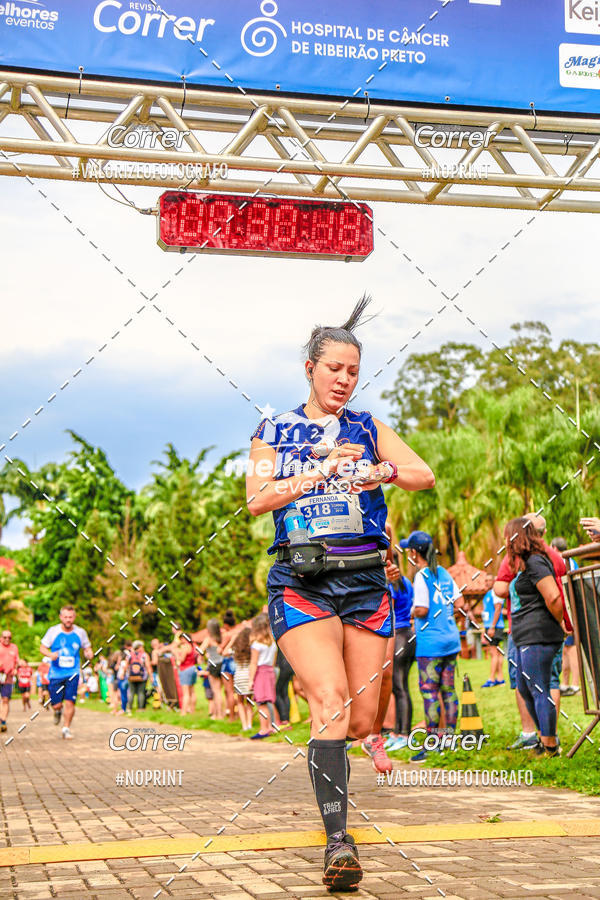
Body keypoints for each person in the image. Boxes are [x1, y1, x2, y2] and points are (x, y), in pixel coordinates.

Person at [246, 296, 435, 891]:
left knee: (360, 719)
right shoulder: (275, 428)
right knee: (327, 701)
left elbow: (422, 475)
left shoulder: (369, 426)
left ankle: (361, 745)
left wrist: (375, 471)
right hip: (302, 582)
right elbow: (258, 498)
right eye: (334, 369)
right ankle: (338, 843)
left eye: (353, 371)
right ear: (310, 368)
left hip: (365, 584)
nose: (344, 380)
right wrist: (321, 470)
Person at [494, 513, 567, 750]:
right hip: (527, 634)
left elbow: (554, 596)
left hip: (540, 634)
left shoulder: (536, 562)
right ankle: (544, 737)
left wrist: (559, 624)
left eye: (508, 537)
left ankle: (549, 745)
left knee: (537, 687)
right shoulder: (524, 562)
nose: (505, 541)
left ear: (518, 536)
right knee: (526, 688)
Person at [405, 531, 462, 763]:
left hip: (430, 644)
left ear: (413, 552)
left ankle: (432, 744)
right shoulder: (445, 573)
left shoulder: (422, 576)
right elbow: (460, 603)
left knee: (429, 693)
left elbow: (421, 609)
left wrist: (408, 613)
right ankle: (449, 740)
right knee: (448, 691)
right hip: (451, 639)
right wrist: (447, 619)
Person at [40, 605, 93, 740]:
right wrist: (50, 655)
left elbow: (87, 647)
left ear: (74, 617)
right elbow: (42, 647)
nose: (68, 620)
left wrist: (89, 653)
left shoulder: (80, 632)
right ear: (61, 617)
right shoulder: (53, 631)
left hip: (73, 673)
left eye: (70, 617)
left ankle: (66, 728)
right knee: (57, 704)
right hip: (56, 674)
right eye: (65, 617)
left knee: (70, 702)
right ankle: (57, 711)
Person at [385, 566, 416, 751]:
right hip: (408, 635)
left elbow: (390, 610)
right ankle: (397, 732)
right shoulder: (406, 582)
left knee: (400, 687)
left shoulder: (391, 586)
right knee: (399, 688)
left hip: (399, 636)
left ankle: (404, 734)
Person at [551, 536, 580, 697]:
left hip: (569, 611)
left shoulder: (562, 561)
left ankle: (575, 684)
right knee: (566, 649)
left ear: (554, 548)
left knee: (572, 650)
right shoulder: (570, 560)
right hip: (566, 610)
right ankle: (565, 683)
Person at [248, 613, 277, 739]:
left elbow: (253, 663)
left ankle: (263, 729)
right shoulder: (273, 643)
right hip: (270, 671)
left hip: (260, 673)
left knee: (261, 703)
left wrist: (250, 680)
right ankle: (270, 727)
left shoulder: (256, 644)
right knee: (267, 701)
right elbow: (273, 661)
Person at [481, 574, 506, 688]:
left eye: (489, 580)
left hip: (494, 626)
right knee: (497, 652)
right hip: (489, 625)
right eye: (486, 580)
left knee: (494, 652)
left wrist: (492, 626)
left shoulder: (495, 593)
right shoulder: (487, 594)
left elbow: (498, 609)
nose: (487, 582)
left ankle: (491, 679)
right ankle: (500, 678)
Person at [198, 620, 224, 719]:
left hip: (213, 665)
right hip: (222, 663)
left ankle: (217, 715)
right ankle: (221, 713)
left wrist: (205, 656)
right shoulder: (221, 637)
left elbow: (200, 650)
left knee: (216, 691)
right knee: (221, 692)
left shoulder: (208, 639)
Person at [232, 626, 253, 731]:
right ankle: (249, 724)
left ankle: (244, 725)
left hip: (238, 677)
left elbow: (225, 652)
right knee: (249, 702)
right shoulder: (252, 648)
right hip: (248, 676)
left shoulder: (236, 649)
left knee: (240, 702)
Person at [174, 632, 198, 715]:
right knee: (192, 692)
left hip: (185, 669)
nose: (180, 640)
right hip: (192, 668)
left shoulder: (185, 647)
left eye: (181, 638)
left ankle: (183, 712)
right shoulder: (192, 646)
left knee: (186, 693)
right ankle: (192, 711)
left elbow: (182, 659)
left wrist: (177, 654)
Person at [220, 610, 238, 722]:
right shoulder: (239, 632)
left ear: (226, 625)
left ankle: (231, 717)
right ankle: (239, 714)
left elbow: (220, 649)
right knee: (239, 691)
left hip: (228, 663)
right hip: (238, 662)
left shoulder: (227, 635)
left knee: (229, 691)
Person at [0, 630, 20, 732]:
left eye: (9, 637)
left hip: (8, 677)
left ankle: (2, 721)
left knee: (5, 700)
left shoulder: (14, 647)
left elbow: (17, 661)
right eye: (5, 637)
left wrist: (16, 669)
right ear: (1, 637)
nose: (7, 639)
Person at [126, 640, 152, 712]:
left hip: (131, 676)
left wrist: (124, 673)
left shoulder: (130, 655)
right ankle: (140, 708)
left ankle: (129, 707)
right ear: (139, 647)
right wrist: (151, 676)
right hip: (142, 676)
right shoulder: (144, 655)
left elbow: (126, 665)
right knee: (141, 692)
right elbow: (148, 666)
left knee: (131, 692)